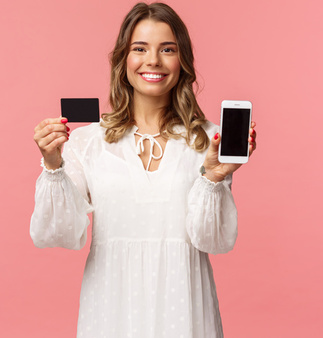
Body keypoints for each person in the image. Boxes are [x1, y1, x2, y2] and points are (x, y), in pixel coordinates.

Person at [29, 3, 256, 337]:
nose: (153, 60)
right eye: (140, 48)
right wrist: (52, 165)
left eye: (167, 49)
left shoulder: (208, 138)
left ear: (183, 62)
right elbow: (58, 233)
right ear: (124, 59)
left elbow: (214, 240)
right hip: (112, 307)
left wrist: (214, 177)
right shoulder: (88, 140)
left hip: (185, 306)